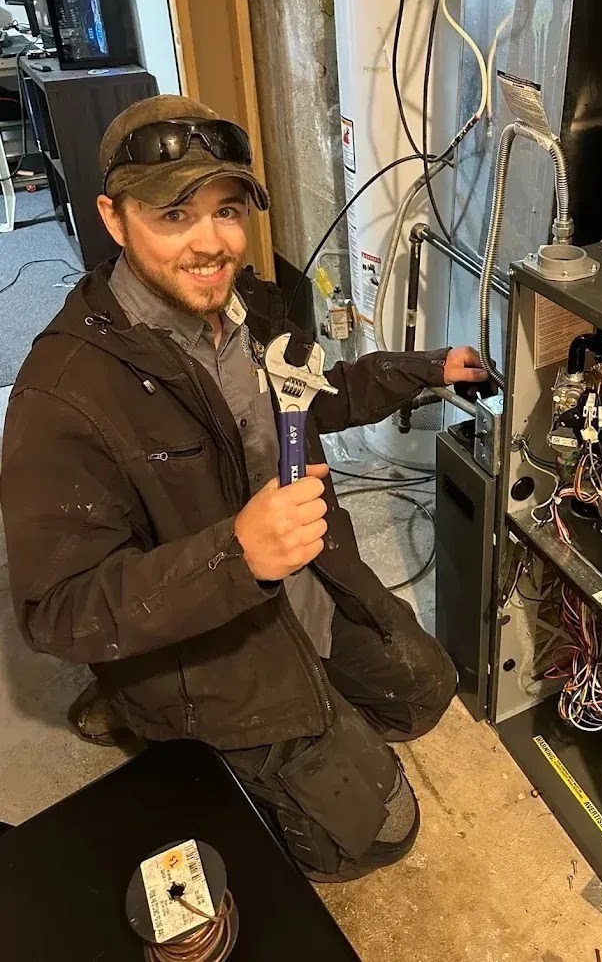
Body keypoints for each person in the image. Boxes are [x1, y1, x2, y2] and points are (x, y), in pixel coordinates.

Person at [1, 95, 488, 881]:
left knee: (422, 693)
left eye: (228, 210)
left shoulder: (249, 309)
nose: (211, 242)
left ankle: (304, 706)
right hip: (211, 648)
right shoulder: (62, 396)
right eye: (174, 214)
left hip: (310, 585)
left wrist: (424, 370)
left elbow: (314, 394)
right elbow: (58, 611)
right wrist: (238, 554)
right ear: (114, 218)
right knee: (377, 835)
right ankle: (147, 718)